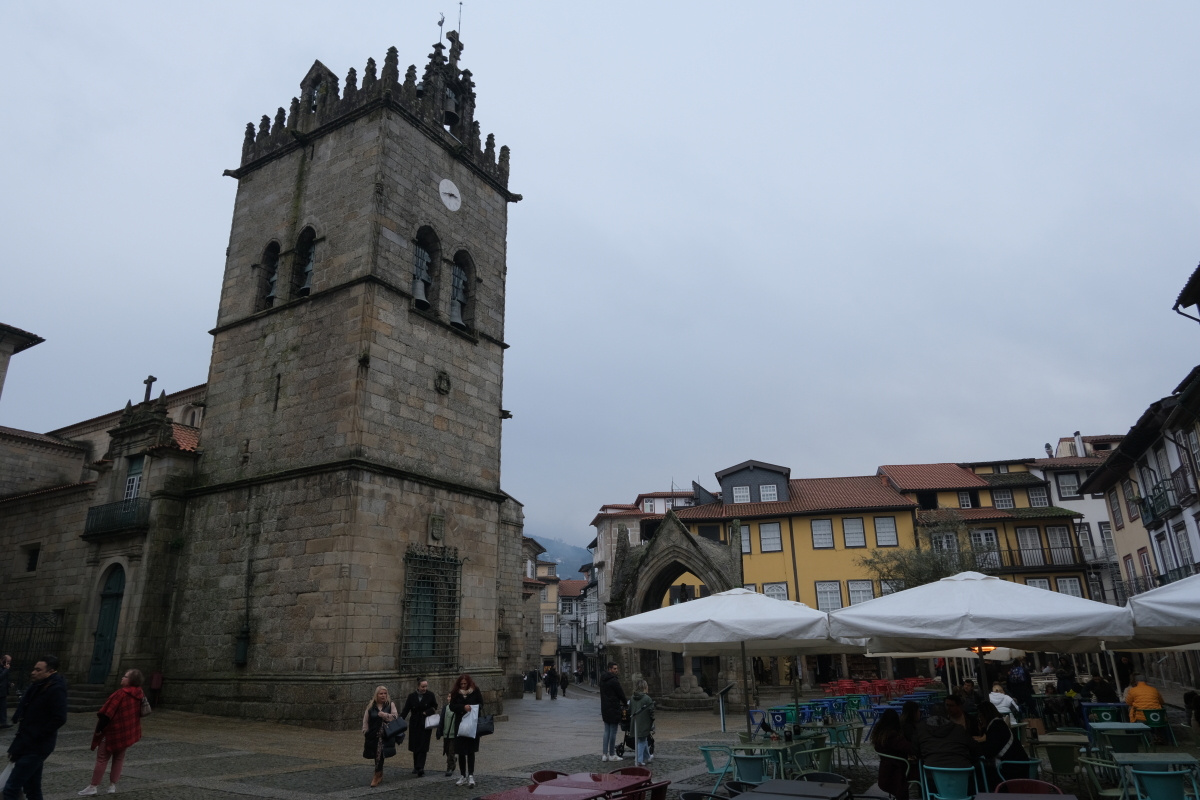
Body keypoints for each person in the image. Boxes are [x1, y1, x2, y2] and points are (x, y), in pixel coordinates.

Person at [4, 655, 68, 800]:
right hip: (27, 742)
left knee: (11, 789)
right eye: (34, 669)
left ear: (50, 672)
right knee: (32, 789)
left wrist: (38, 735)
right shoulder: (37, 687)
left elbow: (60, 718)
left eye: (38, 670)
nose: (33, 672)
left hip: (37, 746)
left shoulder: (55, 689)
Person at [78, 669, 149, 796]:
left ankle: (93, 786)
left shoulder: (121, 694)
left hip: (112, 732)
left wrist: (99, 730)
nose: (122, 678)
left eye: (125, 676)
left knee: (102, 759)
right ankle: (112, 786)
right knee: (119, 759)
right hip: (126, 733)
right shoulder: (140, 693)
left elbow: (106, 714)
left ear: (131, 680)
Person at [975, 700, 1031, 791]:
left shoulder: (996, 727)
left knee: (978, 770)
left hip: (1012, 768)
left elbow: (989, 752)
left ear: (985, 715)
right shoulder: (999, 724)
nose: (979, 719)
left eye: (980, 716)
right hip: (1016, 765)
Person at [912, 703, 983, 769]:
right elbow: (976, 750)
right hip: (962, 772)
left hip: (932, 772)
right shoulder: (959, 729)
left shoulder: (920, 729)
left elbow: (916, 751)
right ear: (947, 716)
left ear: (929, 716)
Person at [871, 708, 915, 800]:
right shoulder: (892, 737)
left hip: (888, 769)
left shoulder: (880, 735)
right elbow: (909, 748)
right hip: (897, 770)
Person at [449, 673, 483, 787]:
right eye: (461, 684)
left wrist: (472, 708)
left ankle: (471, 775)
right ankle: (463, 775)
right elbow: (452, 706)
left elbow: (481, 704)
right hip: (460, 725)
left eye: (465, 684)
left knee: (471, 751)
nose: (463, 686)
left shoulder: (475, 691)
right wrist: (463, 707)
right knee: (461, 751)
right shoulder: (456, 693)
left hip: (472, 724)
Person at [399, 679, 438, 778]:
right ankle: (416, 766)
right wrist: (400, 719)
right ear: (418, 686)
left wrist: (427, 712)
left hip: (425, 723)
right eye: (422, 687)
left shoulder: (430, 695)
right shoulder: (411, 696)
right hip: (415, 723)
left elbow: (434, 706)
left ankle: (421, 767)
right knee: (415, 745)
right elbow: (406, 709)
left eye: (426, 686)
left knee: (423, 745)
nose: (424, 688)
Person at [362, 685, 399, 788]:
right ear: (376, 695)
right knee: (377, 754)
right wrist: (365, 731)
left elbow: (395, 717)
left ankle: (376, 775)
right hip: (373, 734)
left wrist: (385, 715)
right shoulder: (371, 706)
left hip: (385, 735)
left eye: (385, 693)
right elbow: (366, 720)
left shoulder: (390, 705)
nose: (383, 695)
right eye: (381, 694)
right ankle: (379, 773)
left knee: (380, 753)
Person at [599, 662, 626, 762]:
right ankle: (611, 754)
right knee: (613, 732)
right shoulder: (614, 680)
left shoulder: (602, 679)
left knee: (606, 731)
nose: (616, 670)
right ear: (610, 669)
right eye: (614, 669)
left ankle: (604, 754)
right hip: (614, 708)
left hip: (605, 708)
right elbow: (621, 694)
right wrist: (626, 703)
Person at [629, 680, 654, 768]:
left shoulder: (632, 698)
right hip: (644, 723)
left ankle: (647, 757)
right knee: (642, 740)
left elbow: (629, 709)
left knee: (643, 739)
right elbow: (651, 712)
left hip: (635, 723)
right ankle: (639, 760)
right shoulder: (647, 699)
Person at [440, 691, 457, 778]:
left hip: (453, 734)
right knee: (446, 750)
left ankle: (449, 767)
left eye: (450, 697)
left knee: (451, 750)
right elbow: (442, 720)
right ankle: (453, 760)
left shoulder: (457, 708)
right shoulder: (445, 707)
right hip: (446, 733)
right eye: (448, 696)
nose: (448, 698)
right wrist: (439, 731)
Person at [0, 655, 11, 729]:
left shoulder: (3, 668)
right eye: (7, 661)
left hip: (2, 692)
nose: (8, 663)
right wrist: (6, 670)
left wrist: (9, 684)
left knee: (3, 707)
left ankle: (3, 722)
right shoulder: (4, 669)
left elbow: (4, 679)